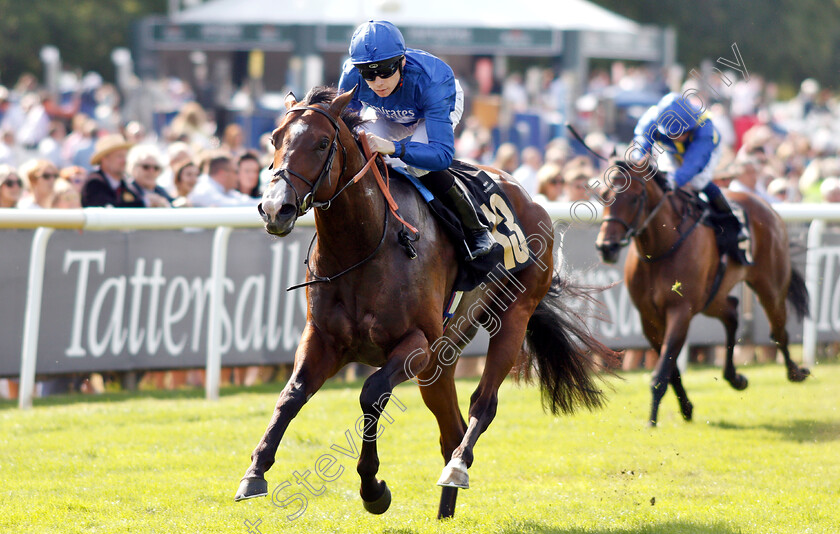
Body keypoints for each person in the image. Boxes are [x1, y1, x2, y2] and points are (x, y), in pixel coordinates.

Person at [337, 20, 494, 261]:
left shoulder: (433, 79)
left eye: (385, 71)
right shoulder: (350, 76)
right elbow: (343, 126)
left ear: (402, 61)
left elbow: (442, 156)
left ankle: (476, 230)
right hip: (386, 112)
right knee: (359, 149)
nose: (378, 82)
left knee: (419, 164)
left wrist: (396, 148)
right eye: (369, 73)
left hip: (430, 110)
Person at [632, 92, 745, 245]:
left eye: (682, 132)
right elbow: (641, 142)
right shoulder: (652, 117)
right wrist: (639, 159)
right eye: (673, 133)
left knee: (698, 183)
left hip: (706, 151)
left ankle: (732, 222)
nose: (678, 136)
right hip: (671, 151)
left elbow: (693, 164)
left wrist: (675, 180)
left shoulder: (705, 128)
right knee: (660, 177)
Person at [81, 133, 144, 207]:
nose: (124, 161)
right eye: (119, 156)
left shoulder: (125, 184)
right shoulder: (94, 183)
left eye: (125, 156)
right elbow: (108, 208)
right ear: (104, 159)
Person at [187, 153, 261, 207]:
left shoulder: (225, 189)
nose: (237, 176)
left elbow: (245, 201)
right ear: (223, 173)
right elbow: (229, 205)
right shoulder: (203, 189)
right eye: (235, 172)